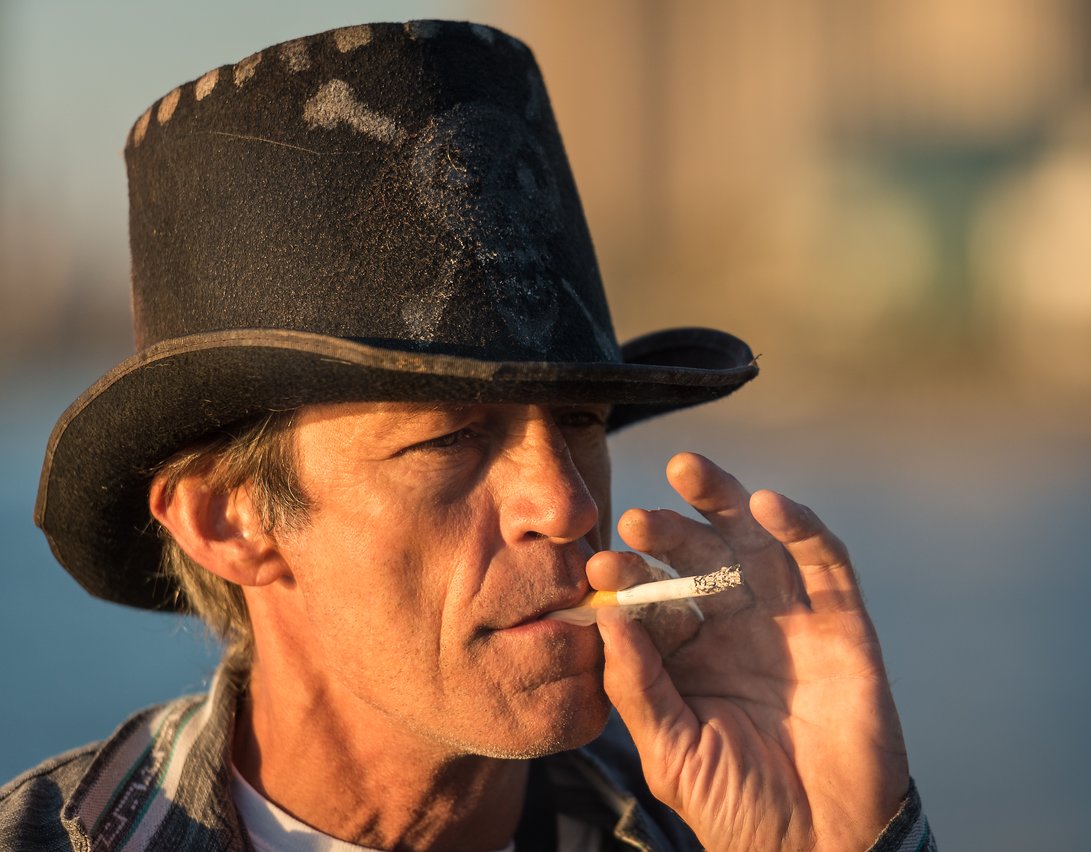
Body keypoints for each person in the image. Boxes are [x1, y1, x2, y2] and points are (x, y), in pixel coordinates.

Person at [0, 20, 934, 852]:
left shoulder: (713, 820)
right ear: (228, 523)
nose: (566, 503)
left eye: (580, 422)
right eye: (449, 441)